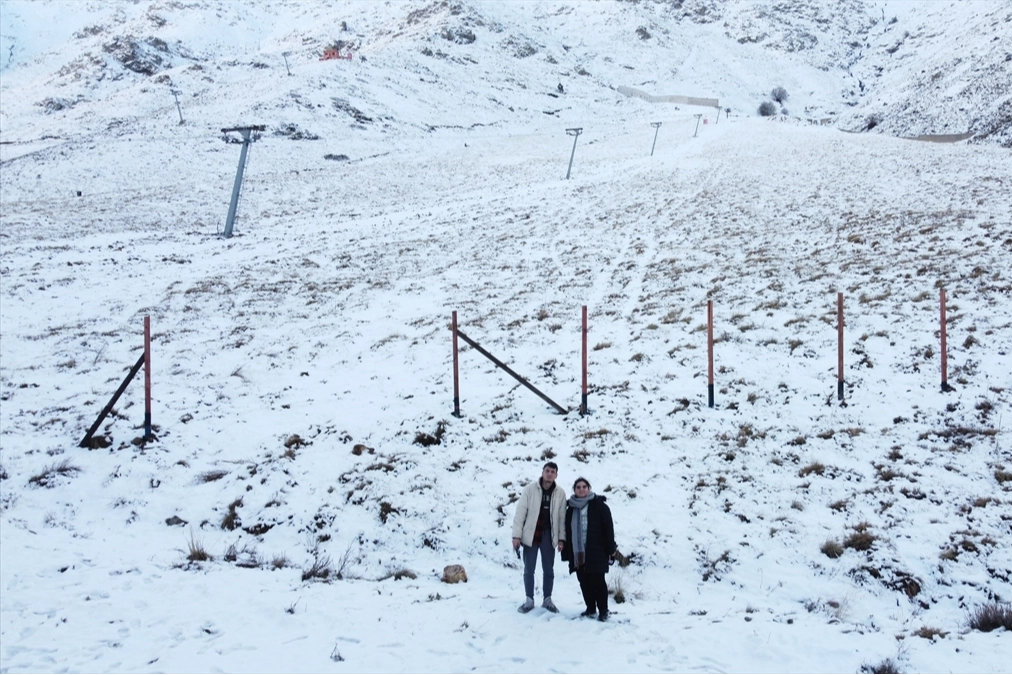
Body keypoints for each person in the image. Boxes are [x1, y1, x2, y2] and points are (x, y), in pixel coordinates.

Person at [511, 461, 567, 613]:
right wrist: (516, 535)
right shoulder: (530, 490)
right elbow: (520, 513)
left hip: (549, 535)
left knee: (549, 569)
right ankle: (529, 600)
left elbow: (562, 518)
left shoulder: (560, 493)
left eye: (553, 471)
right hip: (531, 534)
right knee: (529, 569)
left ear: (556, 475)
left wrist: (561, 539)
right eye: (547, 470)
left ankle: (547, 599)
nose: (549, 474)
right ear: (542, 472)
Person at [561, 477, 617, 621]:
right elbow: (567, 530)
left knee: (597, 581)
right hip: (578, 552)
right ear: (574, 490)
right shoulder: (570, 508)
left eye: (584, 486)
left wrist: (611, 549)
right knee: (583, 581)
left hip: (596, 550)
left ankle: (603, 610)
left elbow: (608, 529)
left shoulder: (600, 506)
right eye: (578, 487)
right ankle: (590, 608)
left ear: (589, 488)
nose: (581, 489)